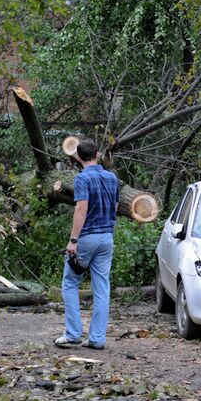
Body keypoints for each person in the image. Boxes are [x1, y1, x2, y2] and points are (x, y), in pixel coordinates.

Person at [55, 139, 119, 350]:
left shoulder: (82, 179)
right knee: (102, 288)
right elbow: (116, 206)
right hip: (107, 238)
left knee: (71, 283)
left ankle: (73, 334)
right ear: (98, 154)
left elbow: (81, 208)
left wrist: (73, 240)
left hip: (87, 238)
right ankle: (97, 339)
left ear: (78, 158)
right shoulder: (112, 178)